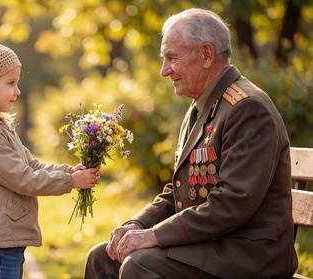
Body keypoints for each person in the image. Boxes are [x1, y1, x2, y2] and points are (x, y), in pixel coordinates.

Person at [84, 8, 298, 279]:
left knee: (140, 265)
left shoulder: (247, 108)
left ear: (207, 55)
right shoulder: (202, 106)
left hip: (249, 253)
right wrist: (136, 225)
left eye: (172, 57)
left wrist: (154, 236)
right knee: (101, 258)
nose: (164, 71)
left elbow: (232, 203)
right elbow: (179, 191)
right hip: (214, 243)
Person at [0, 40, 100, 279]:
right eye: (10, 83)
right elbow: (22, 178)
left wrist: (69, 171)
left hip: (5, 236)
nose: (17, 91)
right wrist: (70, 183)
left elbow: (31, 165)